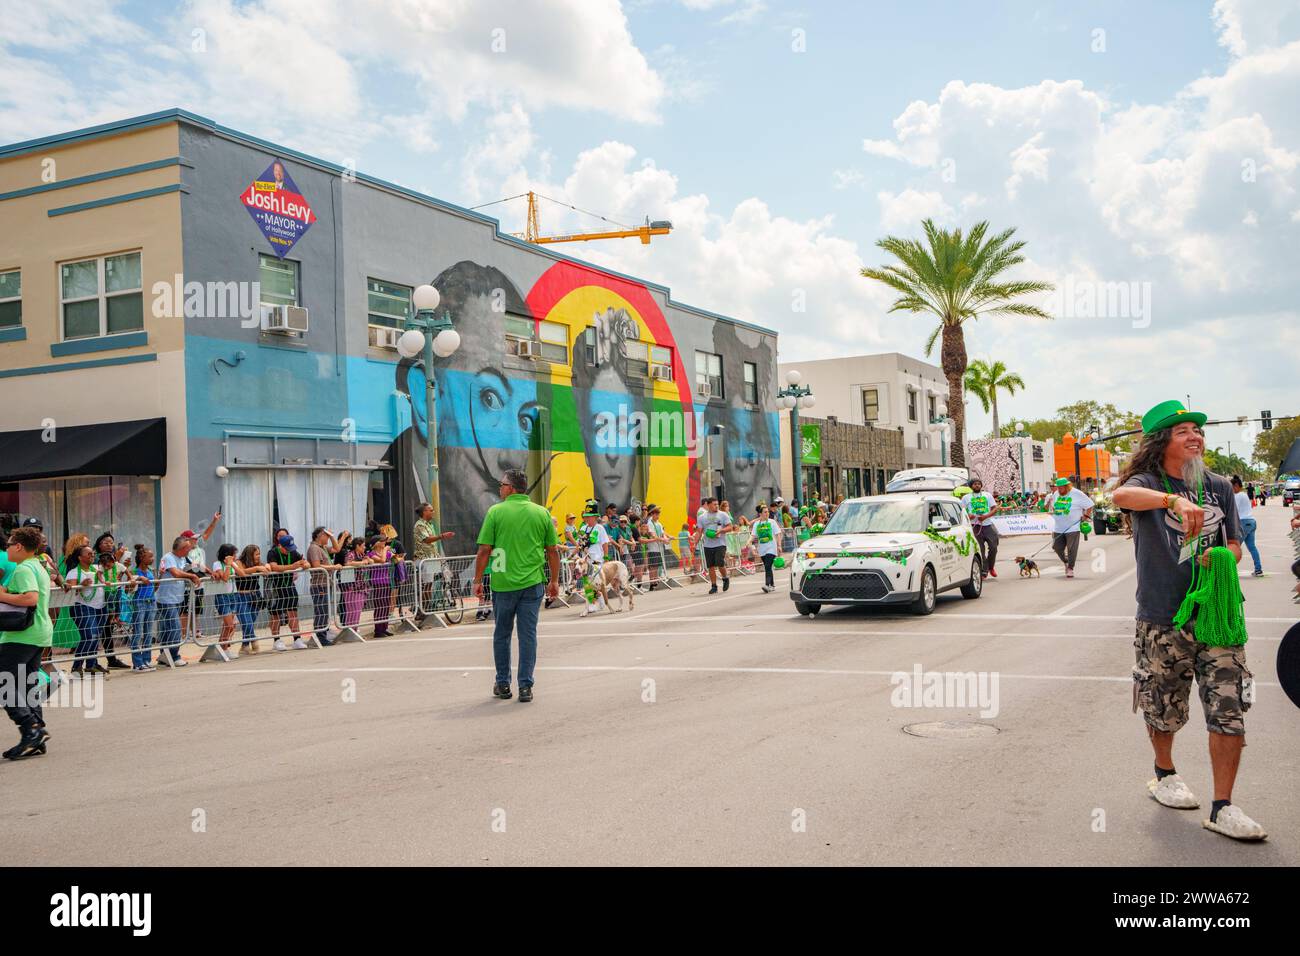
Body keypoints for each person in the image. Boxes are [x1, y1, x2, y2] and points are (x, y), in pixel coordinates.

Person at [1113, 400, 1262, 841]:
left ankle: (1223, 806)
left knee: (1229, 710)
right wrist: (1170, 499)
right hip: (1161, 618)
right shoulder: (1146, 483)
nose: (1195, 436)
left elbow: (1235, 544)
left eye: (1197, 431)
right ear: (1162, 441)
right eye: (1183, 431)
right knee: (1162, 706)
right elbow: (1120, 496)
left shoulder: (1217, 486)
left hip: (1217, 620)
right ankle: (1165, 773)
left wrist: (1222, 557)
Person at [474, 470, 560, 703]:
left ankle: (503, 683)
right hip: (533, 584)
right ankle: (525, 686)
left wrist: (478, 580)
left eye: (502, 485)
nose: (500, 488)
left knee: (502, 634)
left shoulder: (495, 512)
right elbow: (552, 550)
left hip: (503, 584)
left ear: (511, 488)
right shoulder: (541, 513)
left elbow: (484, 550)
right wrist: (554, 580)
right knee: (528, 635)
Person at [0, 526, 54, 759]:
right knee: (27, 684)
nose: (7, 547)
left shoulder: (23, 568)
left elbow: (30, 597)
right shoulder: (37, 566)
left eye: (10, 544)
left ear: (19, 546)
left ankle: (30, 727)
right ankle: (36, 734)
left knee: (3, 682)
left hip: (22, 635)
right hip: (39, 633)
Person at [64, 546, 108, 677]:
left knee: (95, 637)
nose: (92, 556)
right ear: (80, 557)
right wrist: (81, 584)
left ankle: (91, 665)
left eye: (93, 554)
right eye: (89, 554)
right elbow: (70, 592)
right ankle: (76, 667)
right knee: (89, 636)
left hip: (101, 607)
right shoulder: (73, 572)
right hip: (83, 607)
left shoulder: (96, 569)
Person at [156, 536, 199, 667]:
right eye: (188, 548)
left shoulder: (183, 558)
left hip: (177, 598)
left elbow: (197, 566)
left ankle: (165, 655)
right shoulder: (168, 558)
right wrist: (191, 576)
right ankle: (174, 655)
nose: (190, 550)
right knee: (175, 628)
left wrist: (209, 572)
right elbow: (175, 573)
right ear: (182, 548)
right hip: (166, 599)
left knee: (168, 629)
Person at [266, 531, 309, 650]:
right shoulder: (273, 552)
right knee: (276, 615)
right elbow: (274, 567)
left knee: (293, 613)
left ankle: (297, 639)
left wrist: (305, 564)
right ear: (280, 546)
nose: (289, 550)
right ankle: (277, 640)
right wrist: (293, 566)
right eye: (287, 548)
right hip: (275, 587)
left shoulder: (293, 552)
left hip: (289, 586)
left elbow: (305, 562)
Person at [1045, 477, 1093, 579]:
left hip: (1073, 527)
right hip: (1058, 527)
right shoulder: (1056, 494)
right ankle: (1066, 561)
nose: (1059, 489)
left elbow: (1089, 505)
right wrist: (1052, 512)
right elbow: (1054, 507)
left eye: (1061, 487)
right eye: (1058, 487)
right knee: (1056, 547)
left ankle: (1070, 568)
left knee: (1072, 548)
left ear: (1067, 486)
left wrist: (1086, 516)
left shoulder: (1077, 493)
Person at [961, 478, 1001, 579]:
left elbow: (994, 509)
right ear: (971, 486)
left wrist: (986, 516)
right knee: (980, 549)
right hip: (975, 526)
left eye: (979, 484)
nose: (977, 485)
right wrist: (968, 515)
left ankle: (990, 567)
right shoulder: (966, 498)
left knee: (993, 547)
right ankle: (983, 571)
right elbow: (961, 511)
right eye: (975, 484)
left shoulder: (987, 495)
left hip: (988, 525)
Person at [693, 497, 734, 594]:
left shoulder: (723, 515)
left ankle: (725, 578)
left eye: (717, 504)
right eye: (714, 504)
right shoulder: (702, 517)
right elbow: (699, 532)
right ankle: (714, 586)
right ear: (708, 505)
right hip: (708, 545)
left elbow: (730, 527)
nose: (716, 506)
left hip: (720, 544)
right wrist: (695, 544)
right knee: (710, 566)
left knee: (720, 563)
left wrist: (721, 530)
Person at [233, 545, 268, 652]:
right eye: (256, 554)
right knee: (247, 622)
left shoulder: (258, 563)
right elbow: (242, 571)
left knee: (250, 622)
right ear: (249, 554)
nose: (259, 556)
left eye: (259, 554)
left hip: (255, 596)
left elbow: (267, 567)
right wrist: (257, 568)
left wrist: (267, 566)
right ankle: (253, 640)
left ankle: (245, 645)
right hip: (241, 596)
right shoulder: (239, 562)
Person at [306, 527, 337, 646]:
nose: (328, 538)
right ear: (320, 536)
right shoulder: (314, 548)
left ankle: (323, 633)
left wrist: (333, 536)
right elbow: (316, 565)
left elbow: (336, 548)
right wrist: (334, 567)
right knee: (321, 611)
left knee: (325, 610)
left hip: (325, 583)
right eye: (327, 536)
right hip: (319, 584)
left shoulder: (322, 547)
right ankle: (320, 636)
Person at [129, 546, 157, 672]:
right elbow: (129, 589)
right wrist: (138, 579)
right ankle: (137, 662)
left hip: (150, 602)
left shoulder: (151, 571)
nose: (152, 559)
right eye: (150, 556)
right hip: (139, 603)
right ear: (141, 558)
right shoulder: (134, 572)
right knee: (138, 632)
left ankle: (146, 660)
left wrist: (156, 585)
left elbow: (153, 587)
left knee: (148, 632)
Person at [1230, 477, 1263, 577]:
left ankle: (1230, 572)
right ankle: (1258, 570)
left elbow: (1233, 511)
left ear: (1236, 486)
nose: (1230, 489)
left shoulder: (1237, 496)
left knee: (1233, 547)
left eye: (1231, 487)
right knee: (1252, 547)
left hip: (1243, 523)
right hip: (1251, 522)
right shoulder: (1243, 495)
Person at [751, 504, 781, 593]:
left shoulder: (772, 522)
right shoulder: (757, 524)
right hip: (762, 548)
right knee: (768, 567)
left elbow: (778, 534)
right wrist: (750, 544)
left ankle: (767, 585)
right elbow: (753, 535)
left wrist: (779, 545)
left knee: (768, 565)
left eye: (768, 511)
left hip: (772, 547)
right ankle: (772, 585)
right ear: (760, 514)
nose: (767, 513)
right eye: (765, 512)